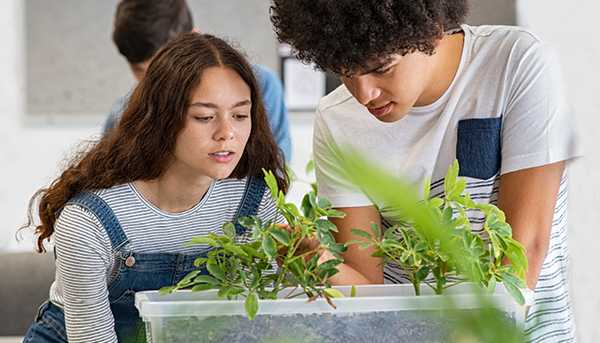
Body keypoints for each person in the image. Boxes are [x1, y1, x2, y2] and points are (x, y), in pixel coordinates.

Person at [270, 1, 580, 341]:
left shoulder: (515, 62)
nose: (364, 94)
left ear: (431, 32)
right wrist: (319, 261)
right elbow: (369, 291)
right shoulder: (337, 119)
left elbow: (525, 250)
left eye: (381, 67)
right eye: (344, 72)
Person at [22, 32, 288, 343]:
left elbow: (257, 324)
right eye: (204, 117)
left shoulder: (253, 201)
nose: (227, 133)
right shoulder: (88, 223)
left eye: (241, 115)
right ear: (163, 118)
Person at [106, 0, 292, 161]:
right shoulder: (121, 115)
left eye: (239, 116)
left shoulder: (261, 85)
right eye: (140, 71)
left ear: (193, 38)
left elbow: (275, 171)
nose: (153, 83)